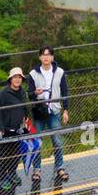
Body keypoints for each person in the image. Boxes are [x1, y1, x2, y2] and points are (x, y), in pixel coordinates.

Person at [27, 45, 70, 186]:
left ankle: (59, 167)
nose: (46, 57)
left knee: (57, 141)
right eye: (43, 55)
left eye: (48, 54)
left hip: (55, 110)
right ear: (40, 57)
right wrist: (36, 93)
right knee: (37, 143)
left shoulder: (60, 72)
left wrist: (65, 110)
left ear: (52, 57)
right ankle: (37, 170)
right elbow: (29, 94)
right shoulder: (33, 74)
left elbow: (65, 91)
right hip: (40, 111)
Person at [0, 67, 29, 195]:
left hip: (18, 128)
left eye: (19, 77)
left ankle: (12, 173)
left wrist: (26, 117)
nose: (17, 79)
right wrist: (0, 129)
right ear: (10, 79)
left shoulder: (22, 92)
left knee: (17, 153)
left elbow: (24, 107)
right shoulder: (4, 93)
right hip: (6, 129)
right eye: (15, 77)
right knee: (4, 154)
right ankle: (2, 178)